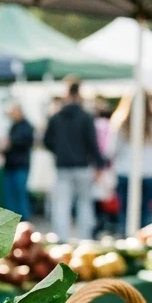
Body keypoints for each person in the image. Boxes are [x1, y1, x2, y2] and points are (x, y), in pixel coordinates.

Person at [43, 78, 106, 240]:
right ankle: (85, 238)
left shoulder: (56, 117)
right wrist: (99, 164)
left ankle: (62, 238)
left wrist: (59, 151)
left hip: (63, 166)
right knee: (84, 203)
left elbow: (47, 141)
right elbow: (92, 143)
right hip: (81, 165)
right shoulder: (86, 117)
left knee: (62, 204)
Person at [109, 92, 152, 231]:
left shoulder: (121, 121)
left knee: (126, 213)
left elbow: (112, 149)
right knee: (146, 212)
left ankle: (128, 236)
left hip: (126, 171)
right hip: (149, 172)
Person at [1, 102, 34, 220]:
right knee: (10, 196)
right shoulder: (13, 126)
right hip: (10, 165)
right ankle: (11, 219)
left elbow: (24, 142)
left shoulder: (26, 126)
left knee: (20, 195)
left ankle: (24, 219)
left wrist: (11, 143)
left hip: (20, 165)